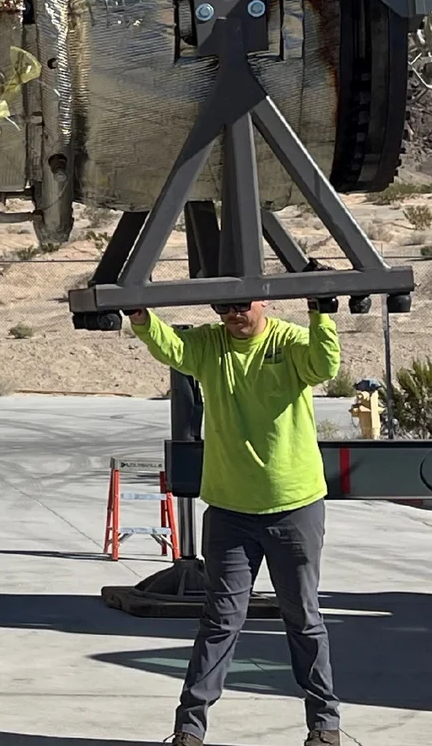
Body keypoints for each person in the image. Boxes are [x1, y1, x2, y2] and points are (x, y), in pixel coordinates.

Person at [128, 296, 343, 746]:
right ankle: (189, 728)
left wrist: (321, 313)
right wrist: (141, 316)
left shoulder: (289, 340)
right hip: (230, 512)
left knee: (303, 617)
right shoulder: (209, 346)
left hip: (294, 505)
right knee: (220, 620)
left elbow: (324, 366)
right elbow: (172, 348)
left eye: (241, 304)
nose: (233, 314)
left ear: (262, 300)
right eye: (223, 306)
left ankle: (324, 725)